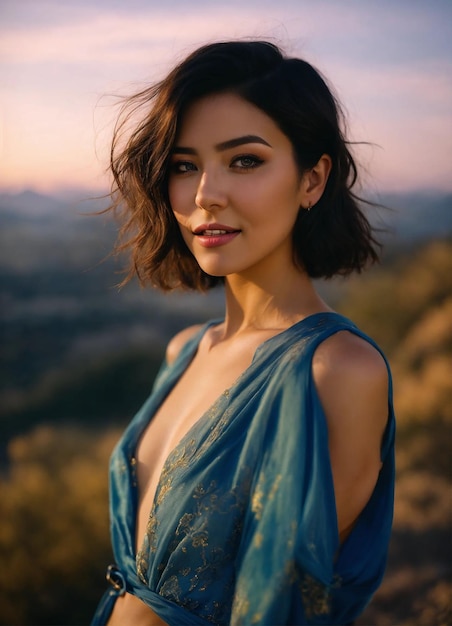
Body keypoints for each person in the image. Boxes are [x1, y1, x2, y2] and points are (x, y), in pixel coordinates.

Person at [91, 40, 395, 626]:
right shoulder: (184, 351)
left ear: (312, 179)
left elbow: (295, 606)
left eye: (245, 160)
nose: (206, 194)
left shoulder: (337, 372)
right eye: (184, 166)